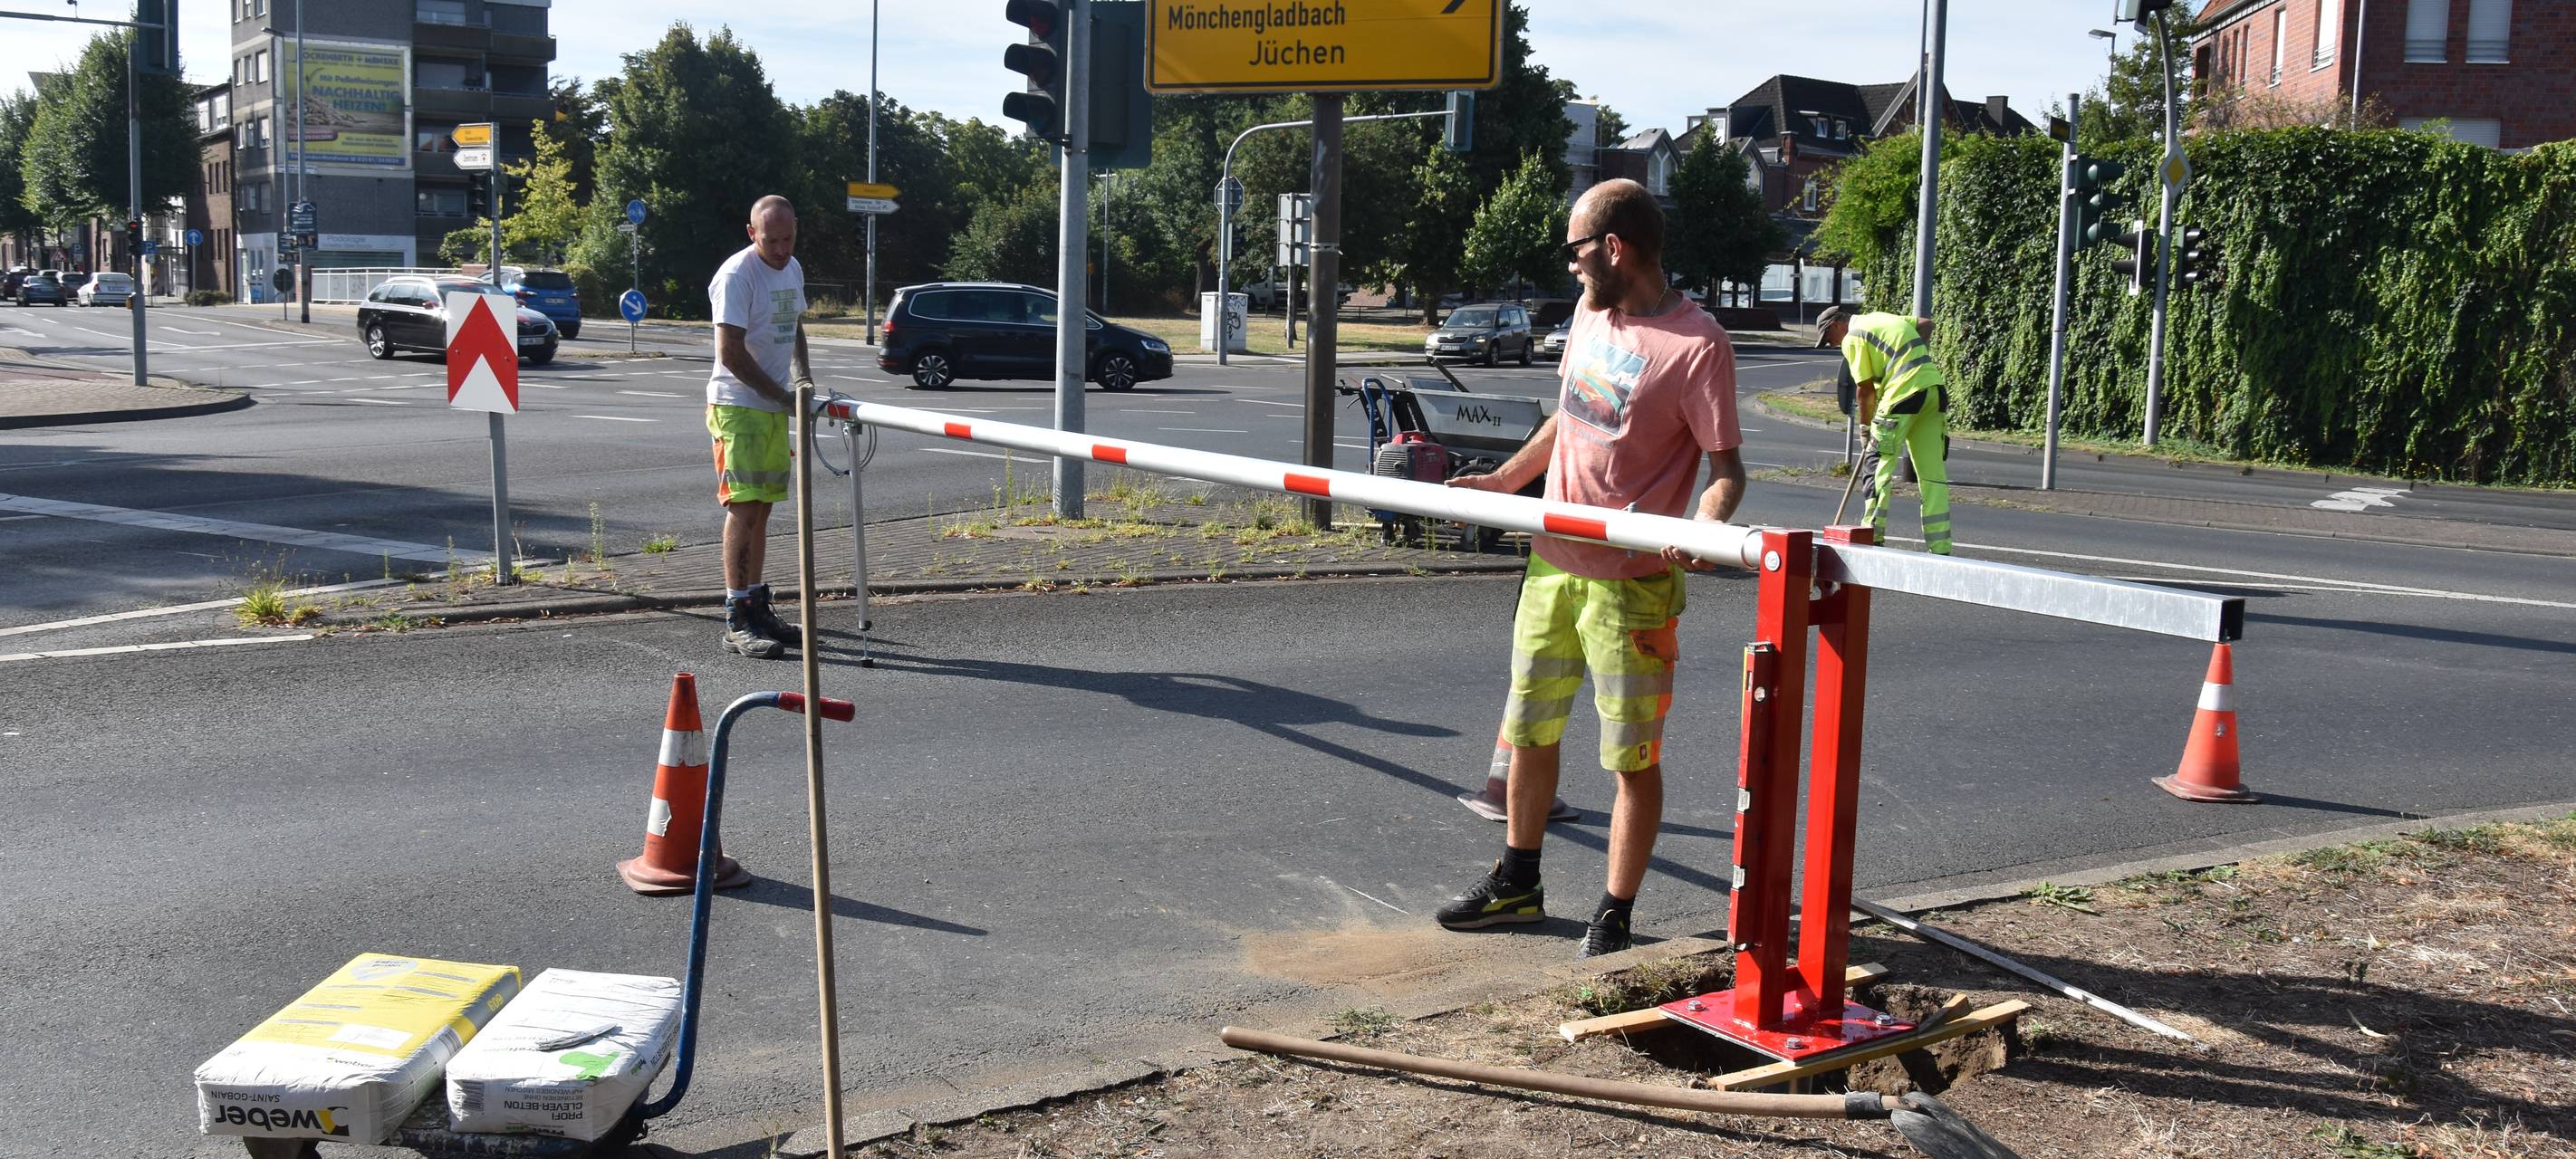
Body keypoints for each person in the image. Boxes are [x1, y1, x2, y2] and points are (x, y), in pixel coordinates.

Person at [1435, 178, 1747, 959]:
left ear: (1614, 248)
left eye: (1576, 250)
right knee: (1530, 733)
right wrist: (1505, 482)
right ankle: (1518, 882)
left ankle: (1613, 913)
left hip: (1630, 585)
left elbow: (1726, 470)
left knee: (1630, 760)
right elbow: (1567, 420)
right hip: (1550, 565)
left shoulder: (1698, 344)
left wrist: (1703, 531)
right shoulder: (1589, 314)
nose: (1570, 267)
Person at [706, 195, 814, 658]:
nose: (781, 249)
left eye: (788, 239)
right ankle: (735, 616)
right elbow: (730, 353)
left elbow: (795, 328)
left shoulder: (792, 269)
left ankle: (756, 603)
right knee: (744, 509)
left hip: (771, 406)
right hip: (738, 406)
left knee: (764, 508)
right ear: (752, 234)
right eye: (771, 241)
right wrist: (782, 396)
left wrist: (803, 379)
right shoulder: (736, 275)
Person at [1817, 305, 1950, 554]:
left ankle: (1873, 537)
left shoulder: (1853, 337)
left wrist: (1865, 428)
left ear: (1837, 325)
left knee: (1877, 465)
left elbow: (1865, 390)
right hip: (1933, 391)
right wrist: (1905, 358)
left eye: (1828, 338)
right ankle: (1940, 546)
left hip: (1901, 396)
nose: (1831, 345)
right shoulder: (1882, 318)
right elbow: (1926, 323)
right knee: (1932, 475)